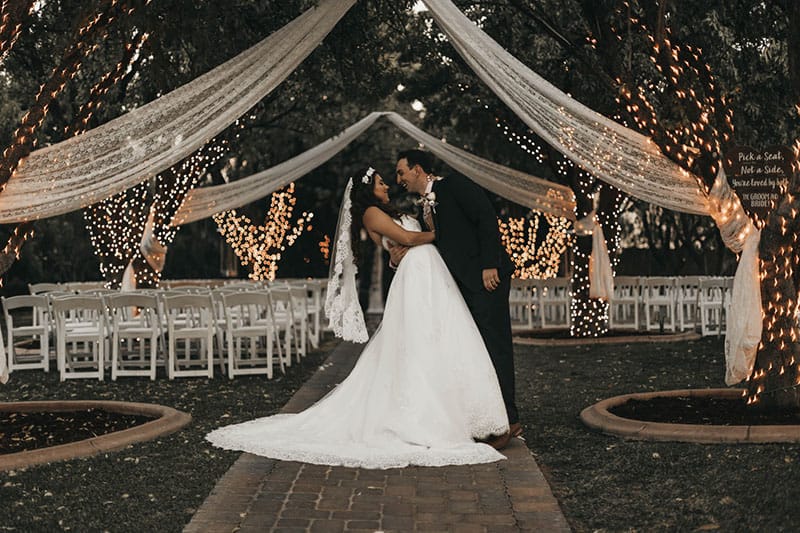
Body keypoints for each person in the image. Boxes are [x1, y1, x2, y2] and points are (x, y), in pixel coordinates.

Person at [206, 166, 509, 469]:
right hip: (417, 276)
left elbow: (406, 240)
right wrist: (446, 236)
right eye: (381, 183)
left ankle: (462, 412)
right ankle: (428, 415)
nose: (388, 185)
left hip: (429, 273)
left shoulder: (389, 209)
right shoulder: (371, 214)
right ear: (368, 189)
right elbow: (406, 237)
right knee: (419, 342)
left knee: (441, 338)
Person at [393, 149, 521, 449]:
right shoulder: (423, 205)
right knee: (475, 350)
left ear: (418, 169)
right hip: (460, 284)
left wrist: (490, 264)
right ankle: (487, 419)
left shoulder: (455, 186)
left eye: (401, 171)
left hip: (486, 278)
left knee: (495, 345)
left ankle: (510, 420)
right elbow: (438, 242)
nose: (398, 178)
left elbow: (486, 219)